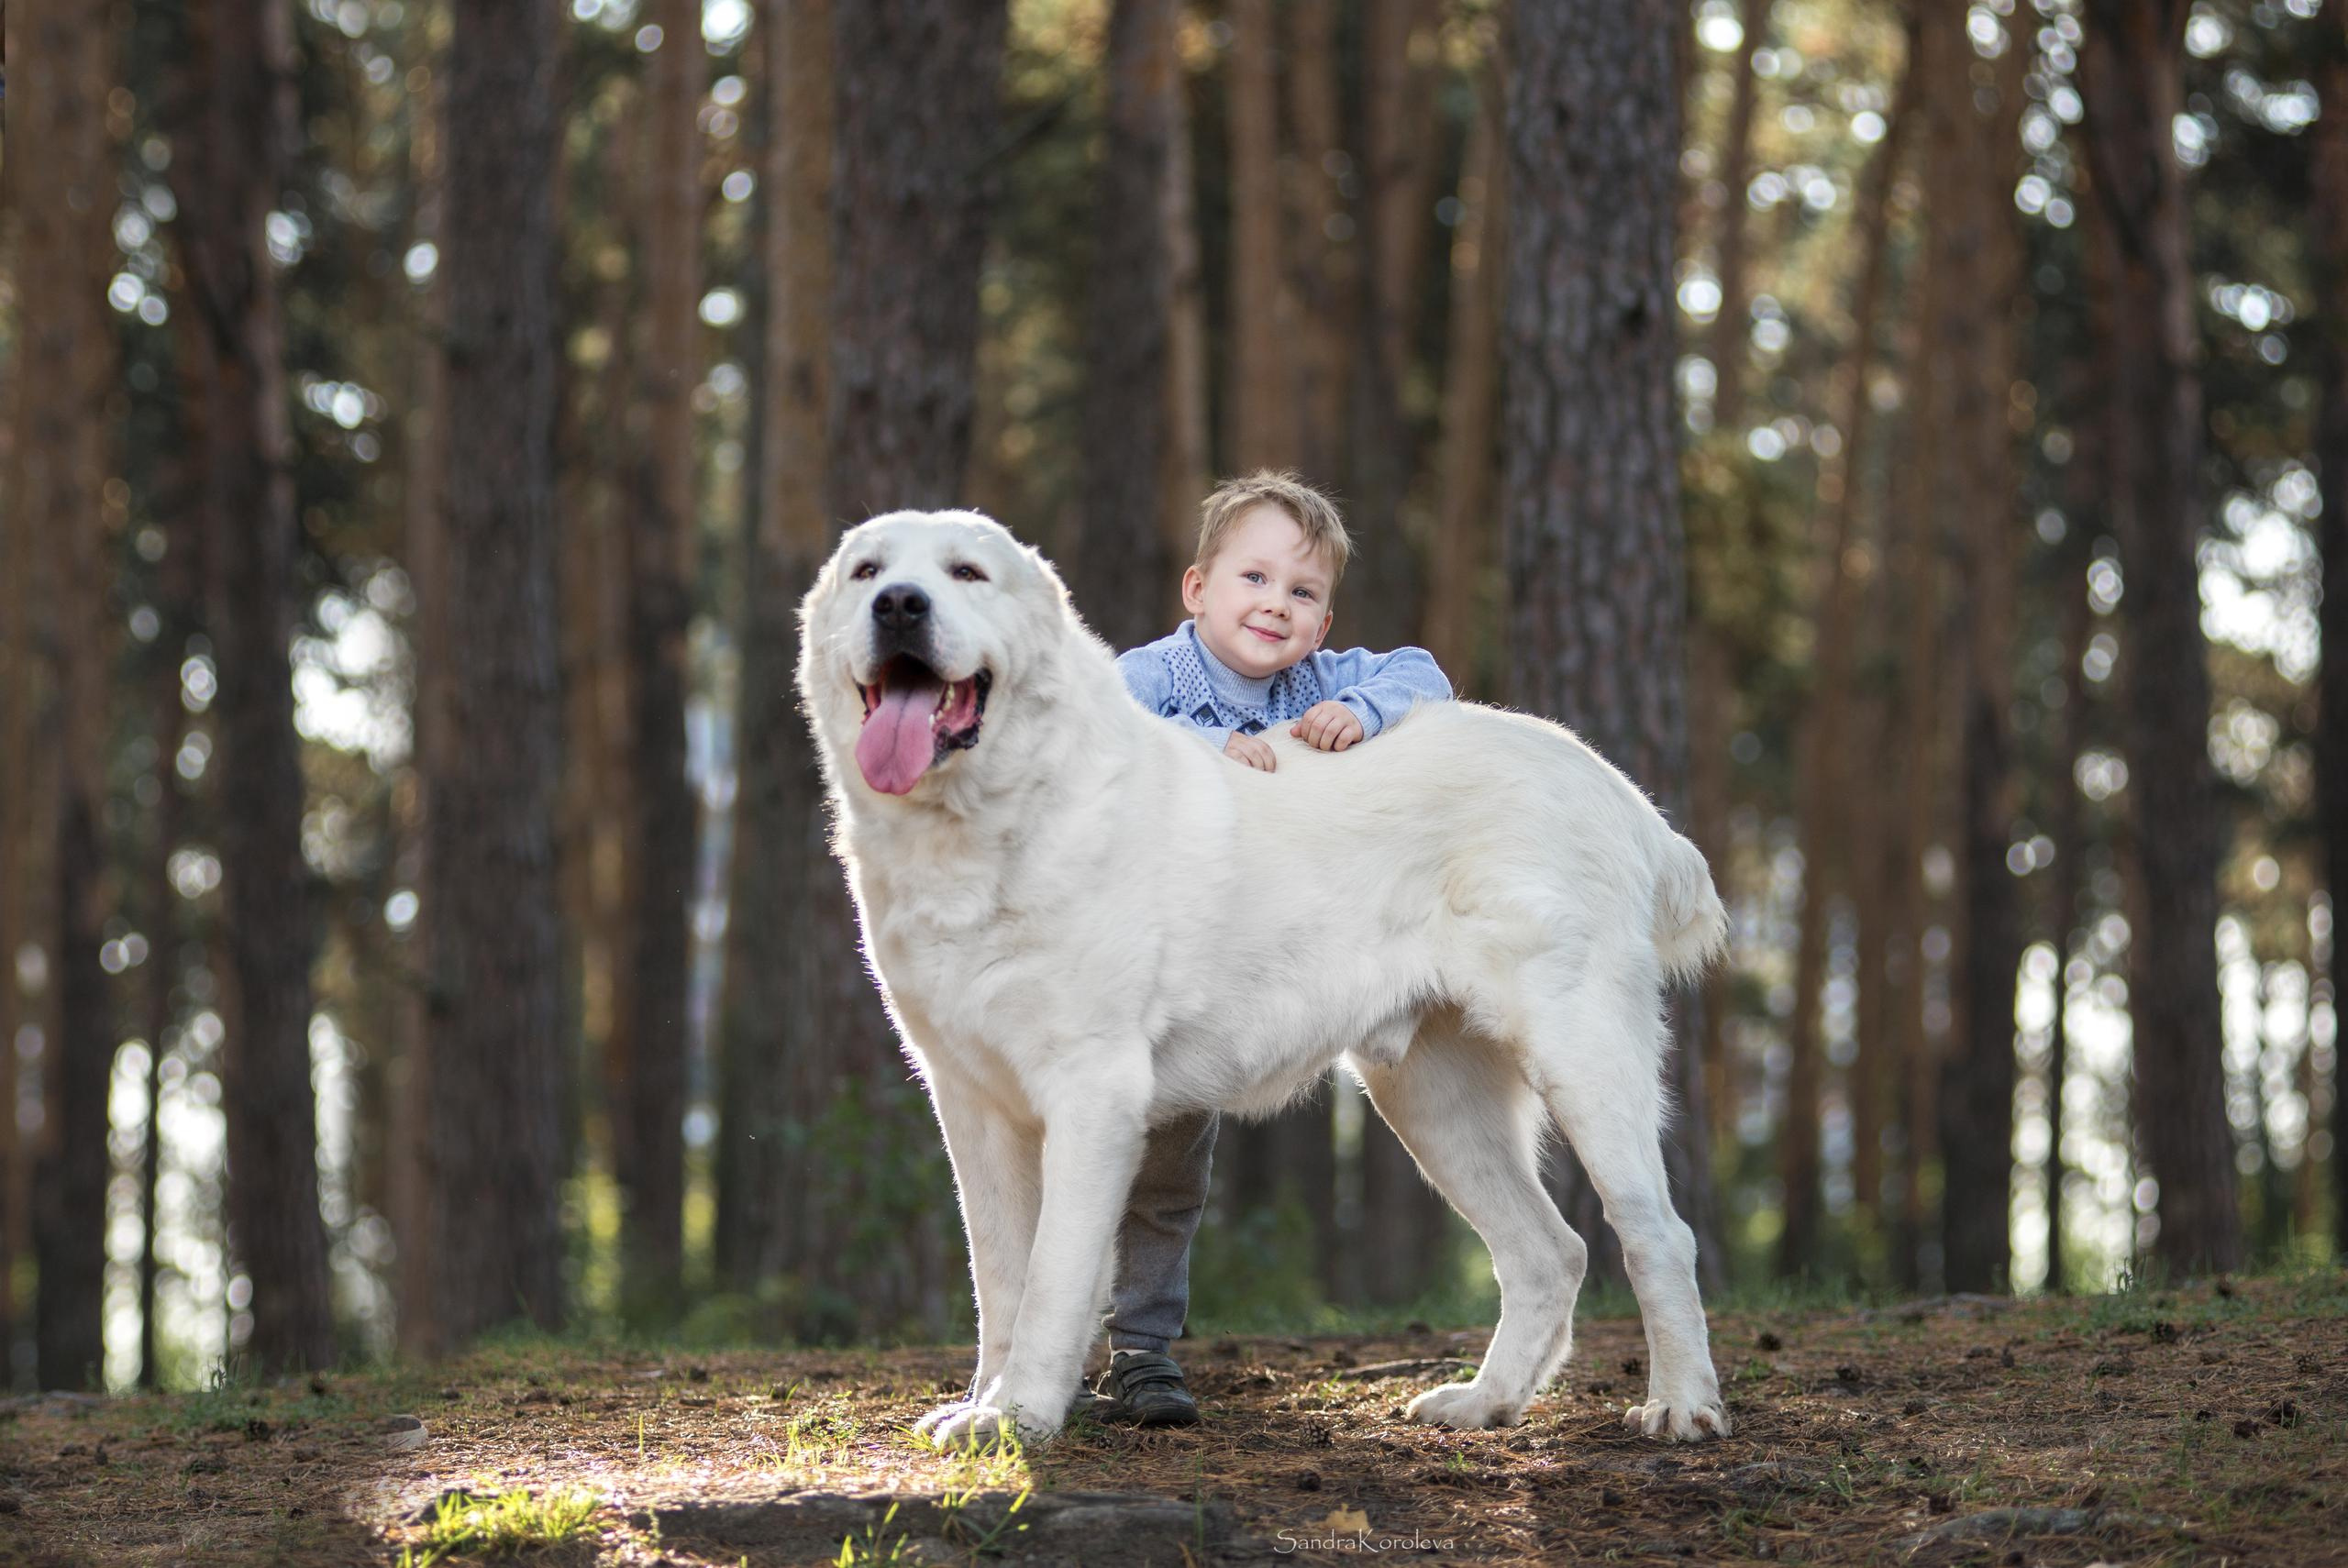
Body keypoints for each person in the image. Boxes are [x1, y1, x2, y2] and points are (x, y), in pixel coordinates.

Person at [1085, 470, 1454, 1426]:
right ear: (1197, 590)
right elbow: (1089, 737)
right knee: (1075, 1153)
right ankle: (1050, 1344)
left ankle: (1141, 1352)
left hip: (1232, 983)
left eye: (1302, 593)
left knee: (1168, 1173)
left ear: (1324, 623)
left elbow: (1424, 673)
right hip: (1124, 973)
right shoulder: (1143, 683)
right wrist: (1196, 748)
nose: (1275, 605)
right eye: (1253, 579)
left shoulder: (1316, 685)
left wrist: (1364, 714)